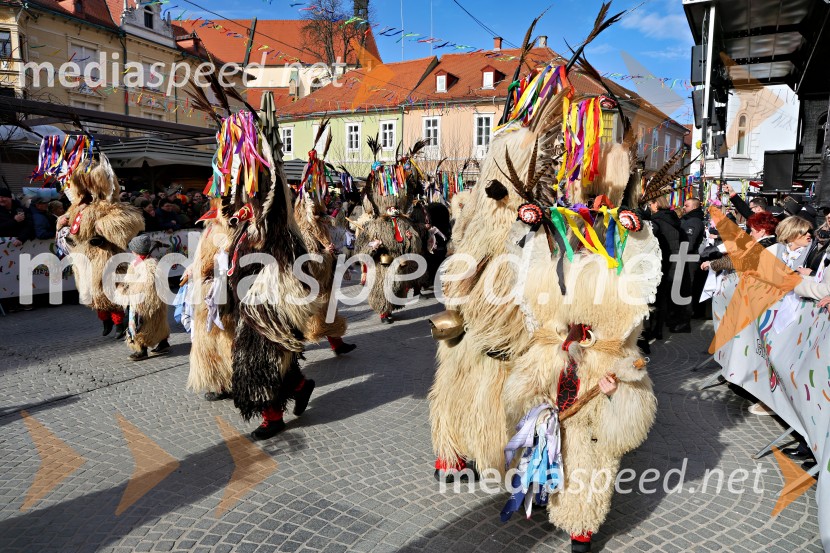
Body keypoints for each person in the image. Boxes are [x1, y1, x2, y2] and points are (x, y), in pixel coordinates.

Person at [644, 196, 692, 337]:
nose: (650, 206)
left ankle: (652, 330)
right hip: (674, 262)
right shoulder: (674, 219)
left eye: (651, 203)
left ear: (656, 204)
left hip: (661, 263)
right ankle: (659, 330)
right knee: (663, 297)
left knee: (655, 298)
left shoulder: (657, 221)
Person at [120, 235, 171, 361]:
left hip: (146, 302)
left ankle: (142, 350)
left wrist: (132, 293)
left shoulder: (149, 265)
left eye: (132, 249)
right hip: (150, 301)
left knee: (141, 325)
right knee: (158, 323)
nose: (131, 251)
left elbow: (149, 286)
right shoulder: (137, 262)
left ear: (137, 251)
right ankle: (163, 343)